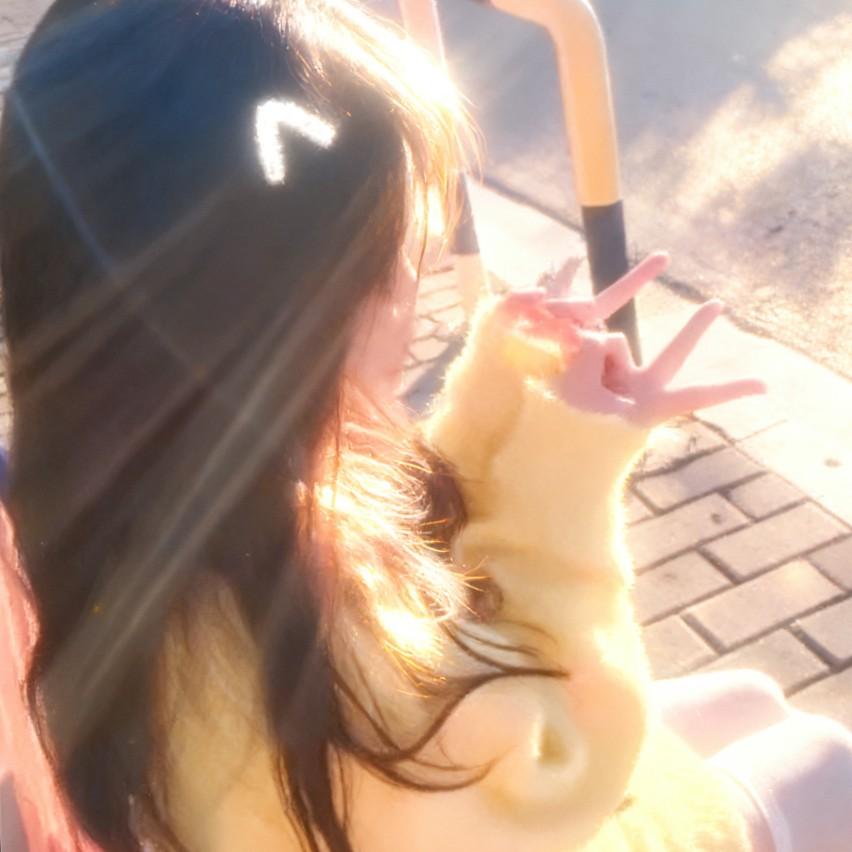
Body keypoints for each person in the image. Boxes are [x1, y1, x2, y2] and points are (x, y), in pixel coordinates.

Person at [1, 2, 850, 851]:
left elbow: (424, 576)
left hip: (426, 804)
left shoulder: (156, 515)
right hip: (529, 813)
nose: (422, 276)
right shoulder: (322, 637)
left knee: (753, 700)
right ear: (301, 315)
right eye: (405, 250)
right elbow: (561, 764)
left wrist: (501, 391)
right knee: (825, 763)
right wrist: (572, 482)